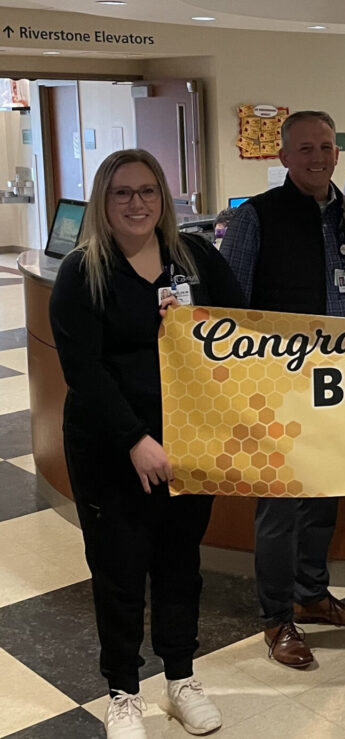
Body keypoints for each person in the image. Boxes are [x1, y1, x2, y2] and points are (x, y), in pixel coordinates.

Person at [50, 149, 244, 737]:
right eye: (122, 193)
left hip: (189, 444)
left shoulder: (196, 258)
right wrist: (135, 439)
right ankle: (123, 691)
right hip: (112, 449)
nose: (136, 203)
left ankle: (181, 680)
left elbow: (240, 329)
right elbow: (84, 371)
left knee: (181, 566)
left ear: (163, 198)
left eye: (147, 191)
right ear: (103, 204)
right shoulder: (83, 273)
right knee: (119, 569)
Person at [220, 110, 345, 669]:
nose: (317, 158)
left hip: (341, 384)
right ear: (284, 157)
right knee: (280, 506)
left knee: (323, 494)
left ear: (337, 153)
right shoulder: (255, 219)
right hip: (276, 386)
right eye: (305, 150)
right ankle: (276, 618)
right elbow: (229, 307)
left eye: (325, 148)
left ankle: (312, 595)